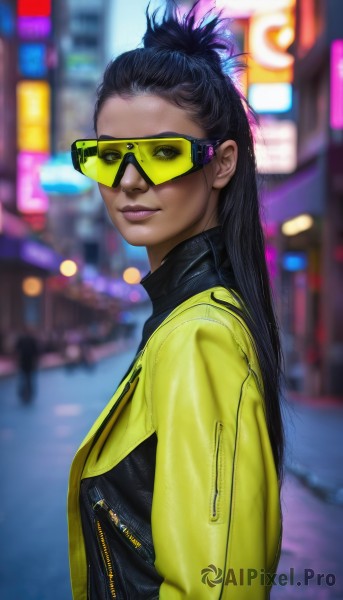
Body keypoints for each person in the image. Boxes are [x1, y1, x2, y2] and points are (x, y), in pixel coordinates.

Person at [68, 3, 283, 598]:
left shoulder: (200, 335)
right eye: (110, 155)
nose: (129, 180)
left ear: (222, 164)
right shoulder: (181, 320)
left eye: (162, 152)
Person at [15, 326, 40, 402]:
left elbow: (16, 350)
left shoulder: (22, 339)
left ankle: (23, 394)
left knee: (24, 378)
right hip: (29, 362)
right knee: (28, 379)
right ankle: (29, 394)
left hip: (24, 362)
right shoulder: (32, 340)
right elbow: (37, 352)